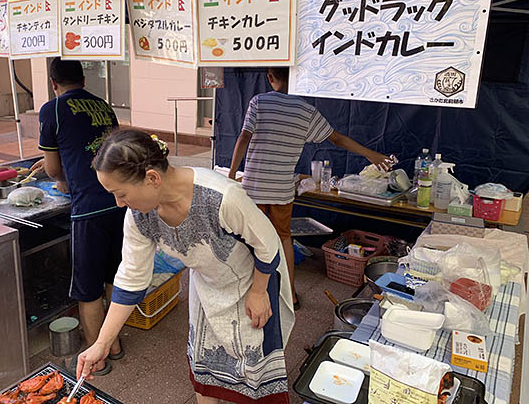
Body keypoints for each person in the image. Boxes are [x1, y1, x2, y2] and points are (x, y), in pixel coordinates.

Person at [78, 130, 295, 404]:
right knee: (203, 363)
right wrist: (102, 343)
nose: (119, 203)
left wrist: (259, 291)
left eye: (121, 194)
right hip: (208, 283)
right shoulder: (139, 215)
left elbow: (267, 245)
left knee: (254, 367)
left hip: (252, 280)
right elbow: (130, 279)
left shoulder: (221, 197)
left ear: (152, 178)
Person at [228, 67, 392, 309]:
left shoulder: (259, 102)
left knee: (251, 239)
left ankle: (252, 293)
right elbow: (337, 138)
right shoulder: (307, 111)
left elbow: (244, 137)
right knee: (284, 238)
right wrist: (371, 154)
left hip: (253, 187)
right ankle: (291, 295)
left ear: (270, 78)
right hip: (282, 190)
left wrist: (231, 175)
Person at [31, 57, 125, 374]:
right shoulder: (104, 106)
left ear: (53, 83)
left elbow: (55, 169)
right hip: (121, 201)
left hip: (88, 209)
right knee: (115, 277)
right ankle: (114, 344)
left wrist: (52, 170)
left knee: (87, 288)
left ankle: (95, 359)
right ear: (84, 79)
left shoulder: (52, 109)